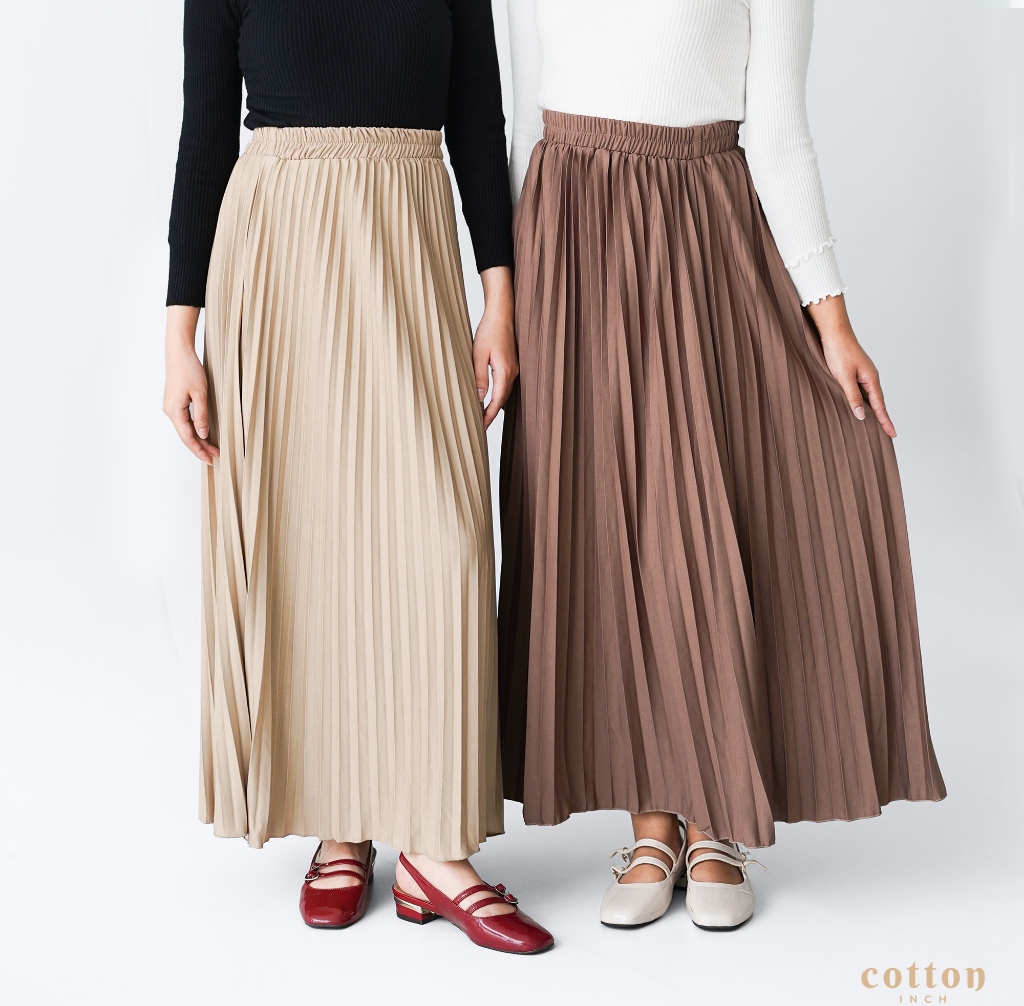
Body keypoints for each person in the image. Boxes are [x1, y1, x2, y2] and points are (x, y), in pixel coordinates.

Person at [498, 0, 945, 931]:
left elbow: (778, 132)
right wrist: (498, 298)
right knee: (606, 531)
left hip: (701, 235)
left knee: (702, 524)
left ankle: (715, 823)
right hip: (567, 242)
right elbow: (514, 116)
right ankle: (650, 824)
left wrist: (831, 319)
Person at [162, 0, 551, 954]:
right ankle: (341, 821)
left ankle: (435, 848)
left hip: (409, 253)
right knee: (310, 545)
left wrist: (499, 301)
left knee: (447, 543)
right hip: (278, 260)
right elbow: (205, 134)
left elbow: (478, 118)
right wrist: (179, 339)